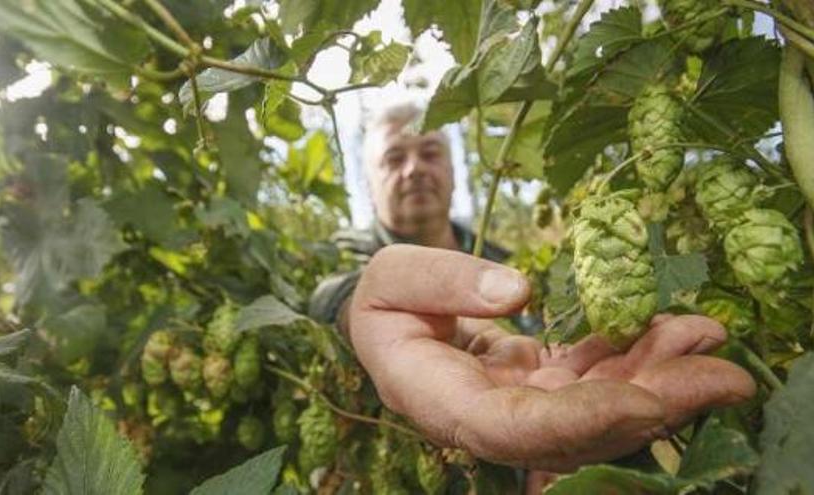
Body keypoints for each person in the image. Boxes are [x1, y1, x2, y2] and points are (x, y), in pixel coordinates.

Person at [309, 103, 755, 488]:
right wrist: (363, 308)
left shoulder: (508, 263)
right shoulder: (346, 254)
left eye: (430, 152)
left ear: (451, 169)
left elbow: (551, 367)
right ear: (369, 183)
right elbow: (333, 294)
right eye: (393, 157)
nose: (414, 168)